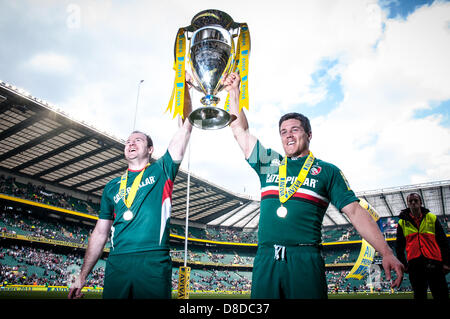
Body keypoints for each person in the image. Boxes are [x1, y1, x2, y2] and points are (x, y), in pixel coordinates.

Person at [222, 72, 404, 299]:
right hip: (266, 258)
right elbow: (240, 130)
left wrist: (385, 251)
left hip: (305, 258)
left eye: (294, 130)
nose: (288, 136)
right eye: (283, 132)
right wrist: (233, 92)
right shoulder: (270, 163)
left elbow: (355, 212)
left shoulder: (327, 171)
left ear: (309, 134)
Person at [68, 78, 193, 299]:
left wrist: (184, 92)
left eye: (138, 140)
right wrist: (82, 275)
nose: (131, 143)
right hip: (118, 262)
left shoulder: (162, 170)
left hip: (153, 260)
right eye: (127, 141)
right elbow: (99, 233)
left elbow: (186, 127)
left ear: (151, 149)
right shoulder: (112, 187)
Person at [395, 192, 449, 300]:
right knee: (419, 296)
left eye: (416, 200)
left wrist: (447, 263)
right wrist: (404, 265)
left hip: (434, 262)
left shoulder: (432, 218)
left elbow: (443, 242)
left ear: (421, 202)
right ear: (408, 204)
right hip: (415, 265)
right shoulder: (402, 223)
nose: (413, 203)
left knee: (441, 295)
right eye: (411, 201)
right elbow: (399, 247)